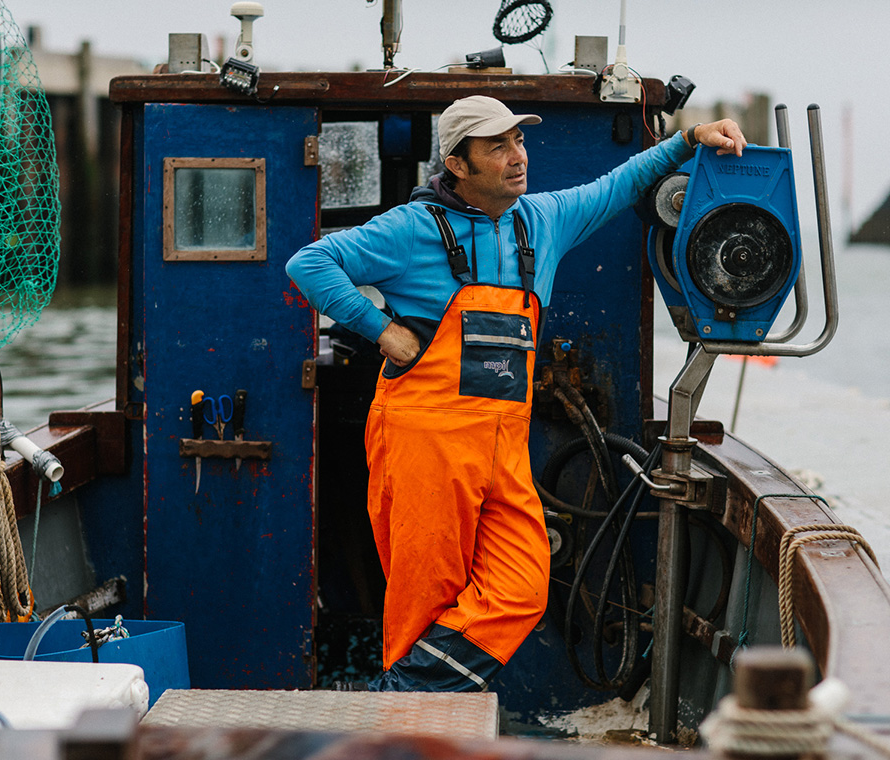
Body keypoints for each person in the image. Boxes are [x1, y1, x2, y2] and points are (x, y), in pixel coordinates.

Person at [286, 95, 746, 691]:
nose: (516, 156)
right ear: (457, 164)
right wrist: (383, 331)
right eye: (496, 146)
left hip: (504, 445)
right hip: (425, 439)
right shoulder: (410, 229)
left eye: (519, 142)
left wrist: (688, 141)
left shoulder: (543, 220)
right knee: (425, 599)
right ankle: (411, 741)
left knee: (522, 587)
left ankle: (400, 696)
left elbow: (620, 184)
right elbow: (310, 262)